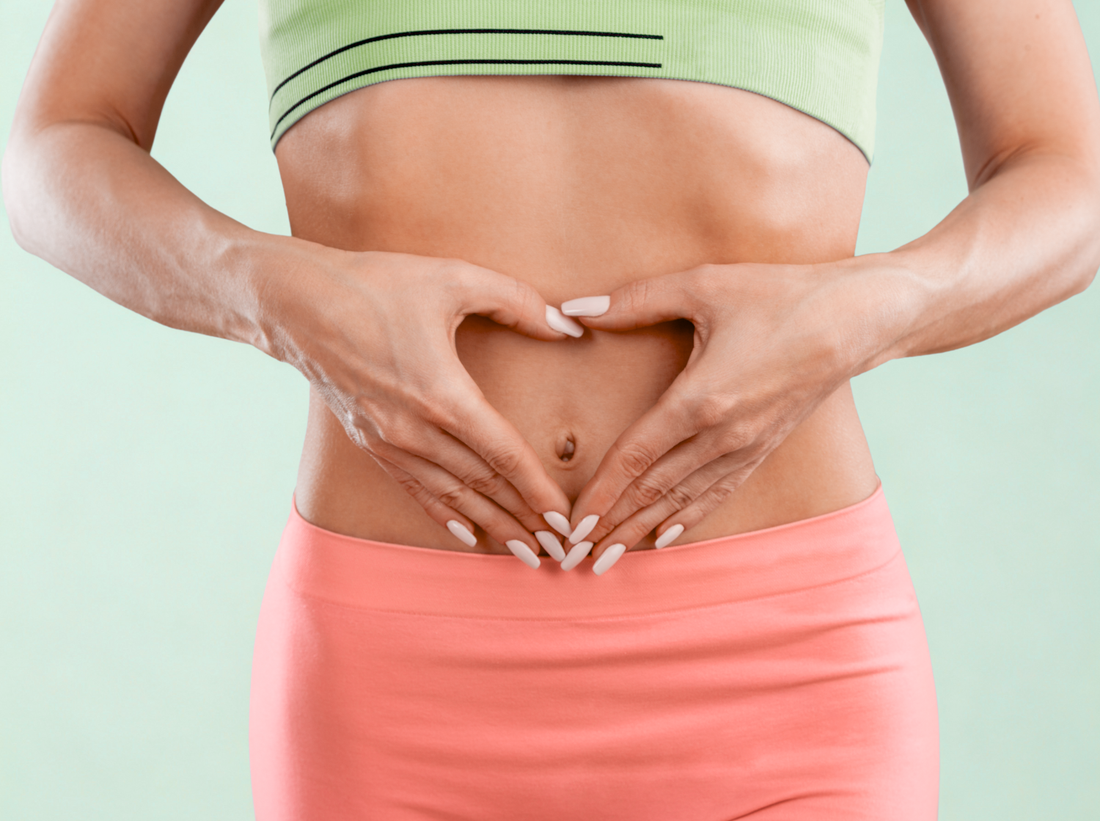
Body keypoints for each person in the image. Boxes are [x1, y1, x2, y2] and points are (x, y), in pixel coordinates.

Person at [4, 0, 1098, 818]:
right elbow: (55, 144)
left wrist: (864, 310)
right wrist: (271, 292)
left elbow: (1066, 176)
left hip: (783, 654)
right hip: (397, 664)